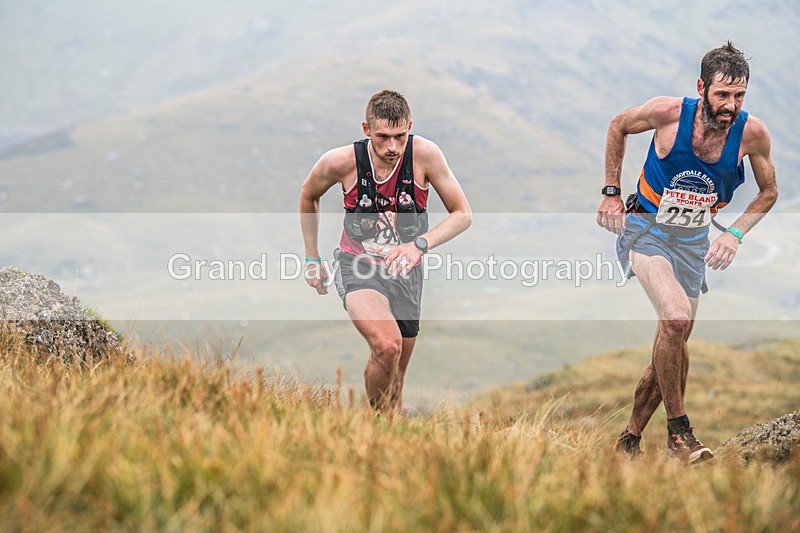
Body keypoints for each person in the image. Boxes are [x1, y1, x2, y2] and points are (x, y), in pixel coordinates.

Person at [597, 42, 778, 463]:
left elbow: (769, 192)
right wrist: (610, 192)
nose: (731, 105)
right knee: (676, 319)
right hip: (645, 230)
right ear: (701, 87)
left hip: (694, 242)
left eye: (739, 96)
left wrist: (734, 232)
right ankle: (681, 435)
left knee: (672, 341)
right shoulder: (667, 114)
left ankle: (629, 441)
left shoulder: (753, 134)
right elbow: (617, 125)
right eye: (722, 95)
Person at [300, 89, 471, 412]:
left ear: (410, 126)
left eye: (400, 136)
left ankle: (387, 436)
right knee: (387, 347)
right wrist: (312, 258)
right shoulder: (341, 162)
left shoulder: (425, 155)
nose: (392, 146)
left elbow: (463, 214)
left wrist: (419, 245)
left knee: (397, 375)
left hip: (407, 271)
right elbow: (308, 195)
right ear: (366, 130)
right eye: (382, 137)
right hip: (357, 265)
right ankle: (378, 426)